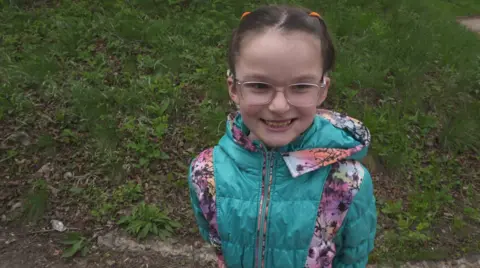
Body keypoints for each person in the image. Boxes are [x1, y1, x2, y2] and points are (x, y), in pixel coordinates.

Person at [188, 4, 377, 268]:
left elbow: (353, 258)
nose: (279, 106)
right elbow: (218, 245)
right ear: (233, 88)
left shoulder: (349, 181)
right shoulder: (205, 173)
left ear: (322, 90)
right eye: (258, 85)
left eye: (300, 86)